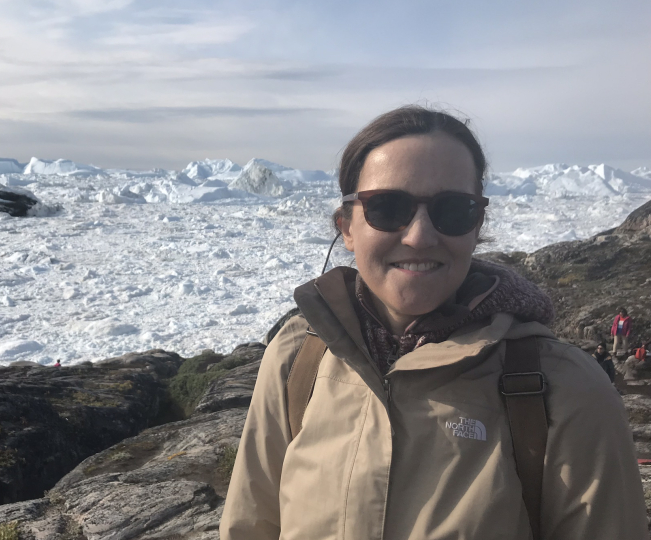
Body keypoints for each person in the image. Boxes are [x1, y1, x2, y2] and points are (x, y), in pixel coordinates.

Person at [219, 106, 647, 540]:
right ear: (347, 227)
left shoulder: (565, 390)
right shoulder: (298, 359)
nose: (420, 235)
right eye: (387, 207)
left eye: (454, 210)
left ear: (478, 225)